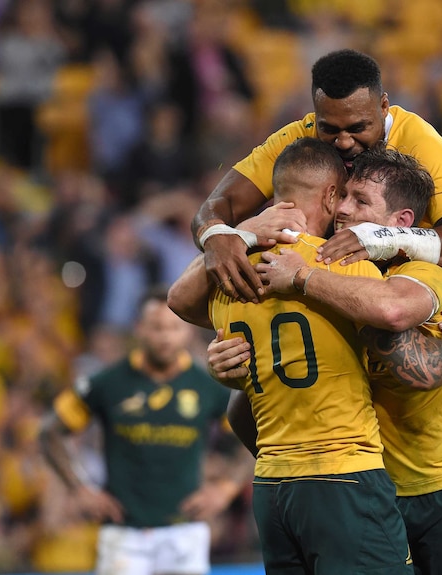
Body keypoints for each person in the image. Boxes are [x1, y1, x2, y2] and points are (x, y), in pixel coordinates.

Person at [189, 48, 442, 555]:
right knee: (242, 413)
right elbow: (214, 209)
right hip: (344, 304)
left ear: (385, 107)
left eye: (359, 127)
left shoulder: (420, 139)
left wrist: (388, 241)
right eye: (330, 129)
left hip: (427, 304)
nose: (343, 141)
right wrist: (220, 234)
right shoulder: (297, 138)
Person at [171, 138, 421, 574]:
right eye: (342, 195)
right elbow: (393, 309)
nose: (344, 207)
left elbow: (179, 300)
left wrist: (244, 231)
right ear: (328, 195)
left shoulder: (231, 274)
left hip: (272, 486)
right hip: (344, 477)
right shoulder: (344, 266)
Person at [38, 286, 251, 575]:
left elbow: (251, 435)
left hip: (185, 533)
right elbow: (50, 431)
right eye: (156, 327)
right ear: (138, 329)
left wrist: (225, 489)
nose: (165, 337)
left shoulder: (209, 386)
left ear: (187, 331)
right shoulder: (107, 383)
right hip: (124, 535)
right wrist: (80, 489)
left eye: (173, 328)